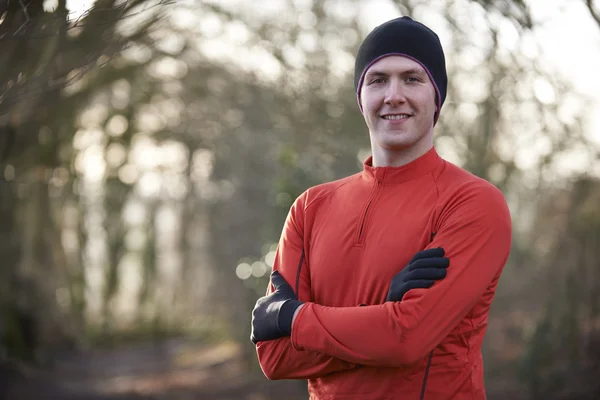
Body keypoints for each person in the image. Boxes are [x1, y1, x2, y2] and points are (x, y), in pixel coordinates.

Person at [250, 16, 512, 400]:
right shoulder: (310, 207)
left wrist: (293, 317)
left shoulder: (472, 203)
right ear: (360, 98)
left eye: (412, 78)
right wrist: (378, 315)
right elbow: (274, 356)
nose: (394, 95)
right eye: (377, 80)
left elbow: (406, 338)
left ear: (436, 95)